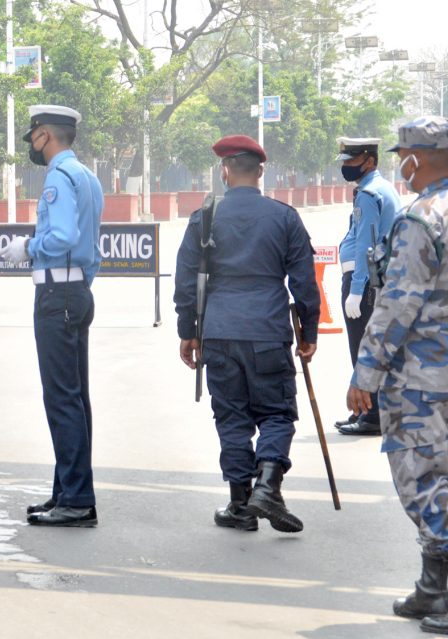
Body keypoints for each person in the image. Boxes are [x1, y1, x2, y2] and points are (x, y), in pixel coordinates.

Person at [174, 134, 320, 535]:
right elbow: (304, 284)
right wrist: (310, 332)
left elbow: (186, 280)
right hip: (269, 331)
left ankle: (241, 505)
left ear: (225, 170)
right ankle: (268, 486)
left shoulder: (205, 216)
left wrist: (188, 331)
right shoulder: (284, 217)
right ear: (261, 171)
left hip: (219, 332)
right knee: (276, 412)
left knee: (232, 416)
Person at [346, 116, 448, 633]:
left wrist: (365, 374)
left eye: (402, 154)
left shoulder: (422, 218)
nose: (399, 164)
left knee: (422, 479)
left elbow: (397, 304)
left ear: (419, 157)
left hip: (422, 379)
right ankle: (433, 588)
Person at [0, 105, 101, 528]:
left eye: (33, 137)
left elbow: (62, 236)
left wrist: (28, 247)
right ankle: (69, 491)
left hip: (56, 293)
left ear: (43, 136)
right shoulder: (87, 176)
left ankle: (75, 499)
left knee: (62, 399)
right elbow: (89, 245)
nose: (32, 146)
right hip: (75, 291)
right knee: (76, 398)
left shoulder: (58, 178)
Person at [331, 137, 401, 436]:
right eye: (344, 162)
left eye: (351, 160)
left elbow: (365, 245)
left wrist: (357, 289)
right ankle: (368, 411)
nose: (346, 167)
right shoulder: (382, 188)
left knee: (362, 348)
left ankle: (371, 416)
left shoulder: (369, 194)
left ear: (369, 161)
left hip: (366, 281)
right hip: (376, 279)